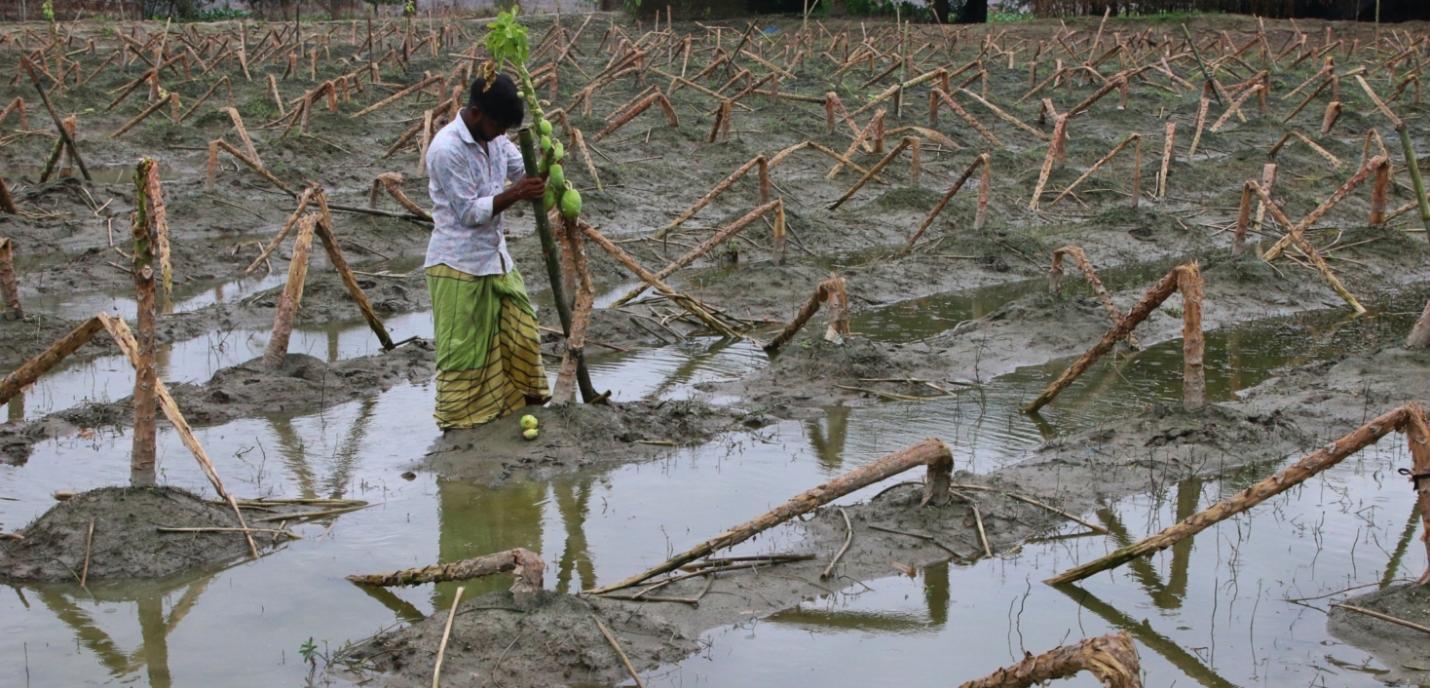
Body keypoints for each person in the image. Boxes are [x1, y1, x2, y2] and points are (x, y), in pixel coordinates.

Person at [423, 73, 549, 430]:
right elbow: (469, 213)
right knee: (464, 353)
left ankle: (516, 408)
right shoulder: (446, 149)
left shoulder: (495, 138)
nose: (500, 134)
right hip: (457, 263)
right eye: (498, 126)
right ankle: (460, 425)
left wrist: (549, 163)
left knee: (523, 333)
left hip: (495, 259)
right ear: (476, 113)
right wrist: (518, 193)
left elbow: (523, 169)